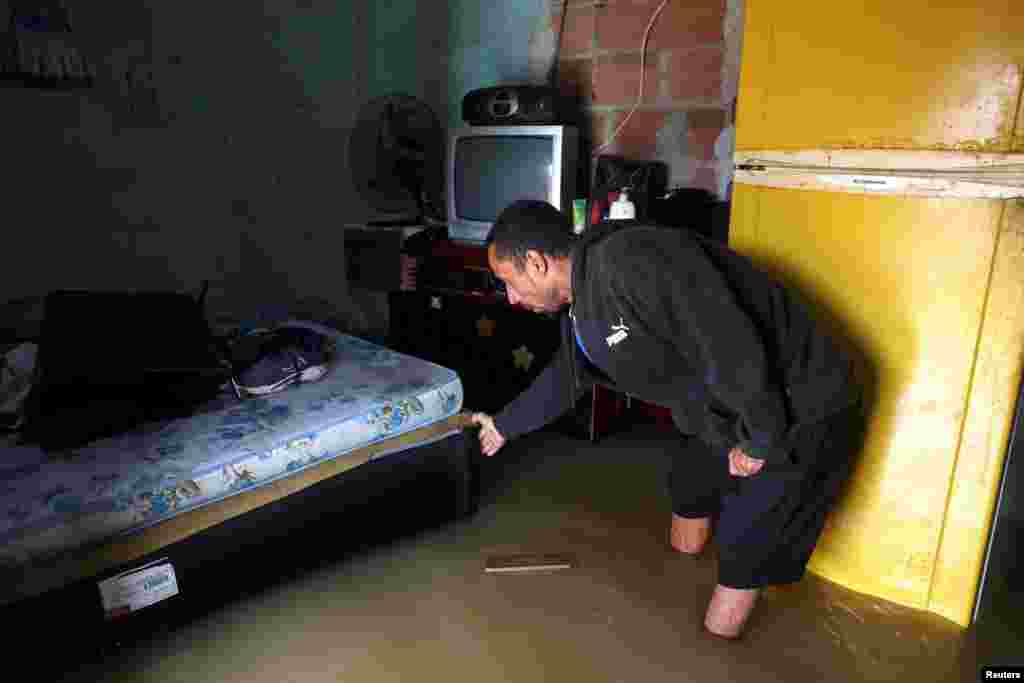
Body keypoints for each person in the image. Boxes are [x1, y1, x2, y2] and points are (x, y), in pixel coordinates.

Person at [471, 199, 863, 639]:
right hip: (725, 405)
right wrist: (505, 425)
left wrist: (759, 441)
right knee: (690, 488)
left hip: (800, 403)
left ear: (536, 263)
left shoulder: (634, 260)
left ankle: (714, 645)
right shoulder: (581, 302)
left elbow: (730, 344)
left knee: (743, 548)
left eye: (508, 282)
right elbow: (568, 374)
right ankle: (675, 615)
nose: (510, 298)